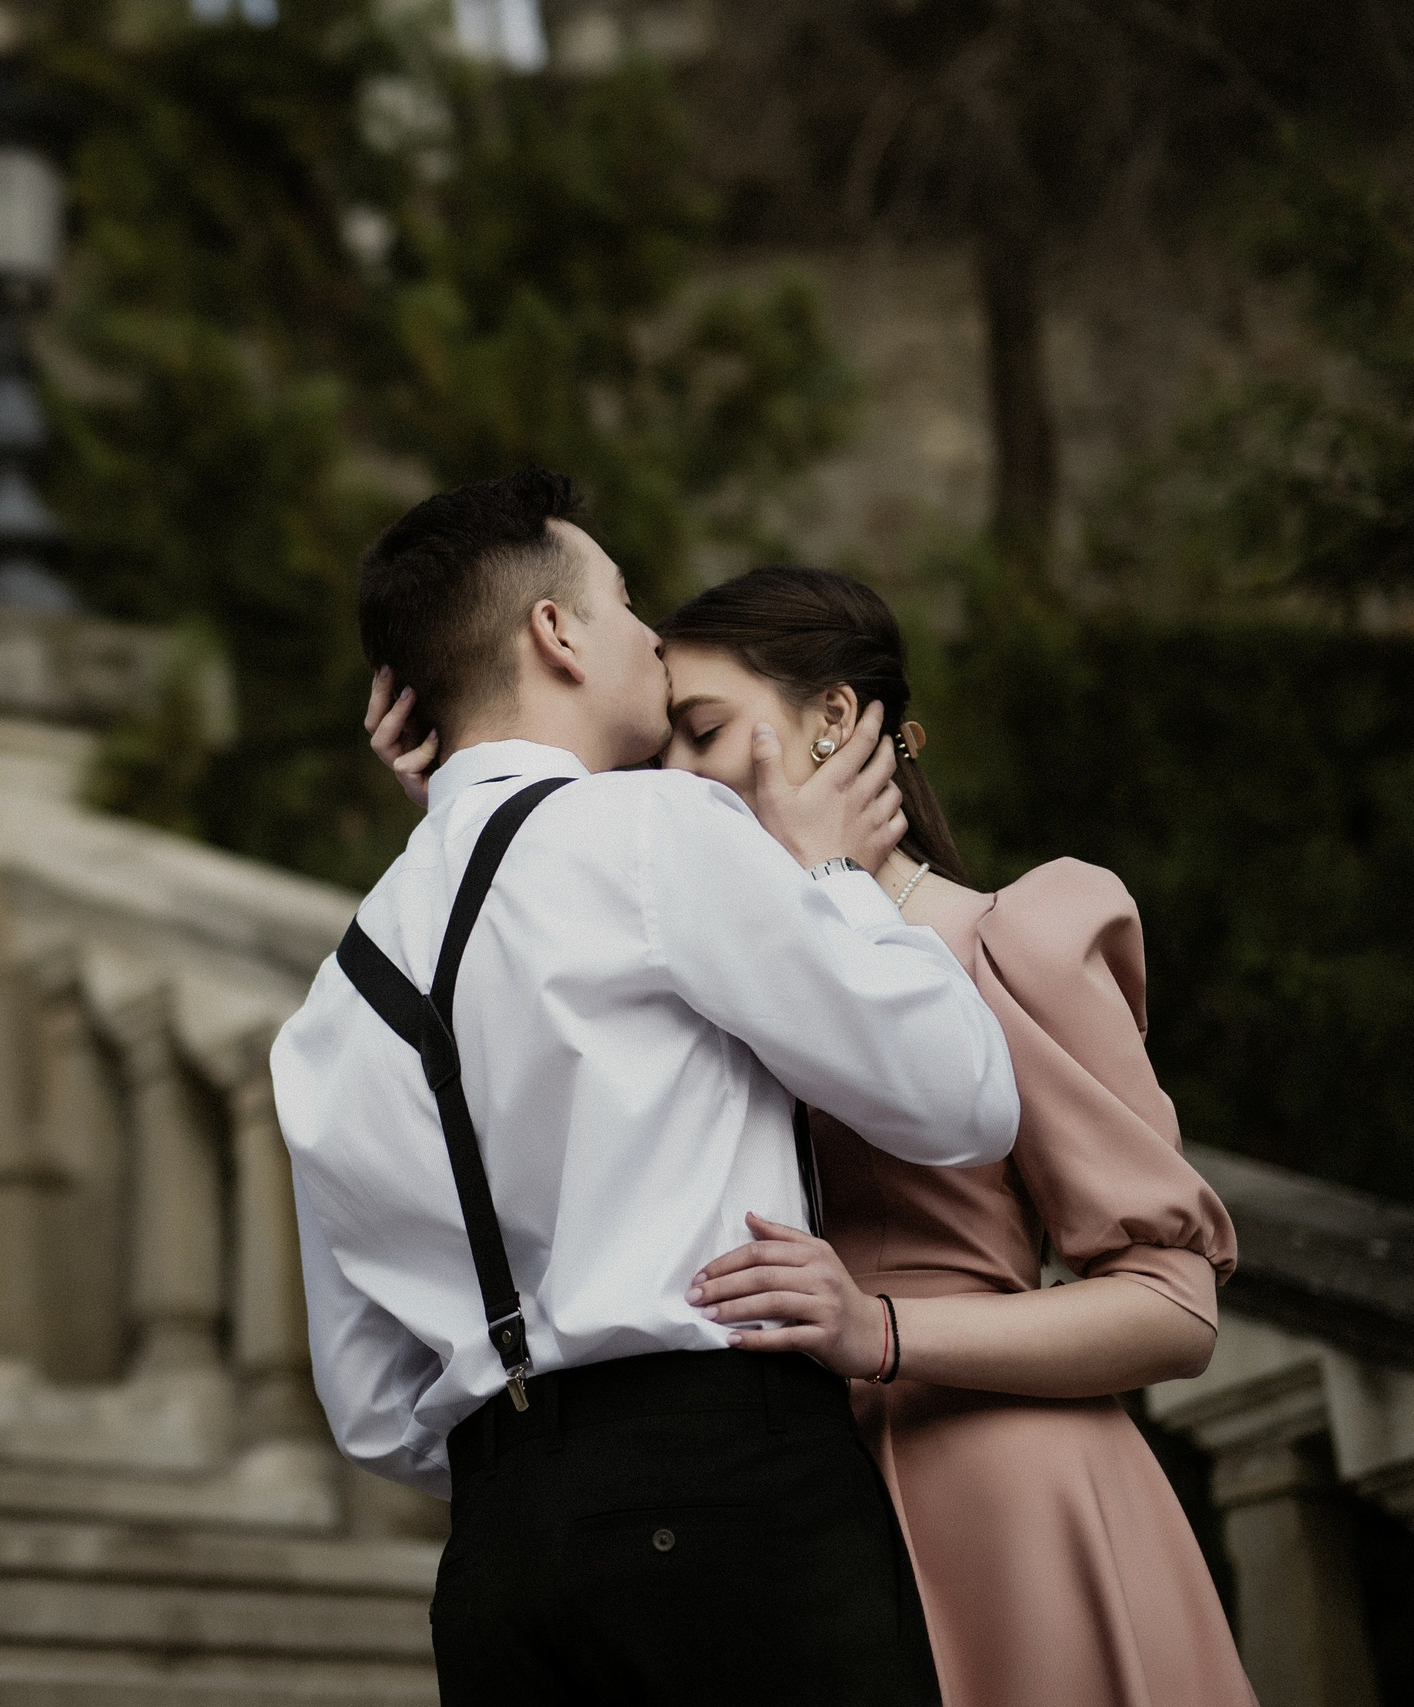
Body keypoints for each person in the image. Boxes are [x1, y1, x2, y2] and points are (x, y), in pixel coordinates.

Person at [368, 563, 1256, 1707]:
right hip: (767, 1514)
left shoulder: (1009, 943)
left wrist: (878, 1328)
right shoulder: (704, 976)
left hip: (1000, 1499)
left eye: (703, 732)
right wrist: (460, 817)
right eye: (656, 757)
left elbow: (1174, 1308)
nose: (676, 781)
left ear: (833, 717)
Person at [275, 469, 1021, 1707]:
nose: (652, 640)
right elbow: (960, 1098)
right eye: (622, 601)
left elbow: (369, 1407)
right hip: (730, 1498)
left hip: (498, 1563)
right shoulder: (656, 832)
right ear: (554, 633)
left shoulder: (332, 1001)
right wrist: (831, 873)